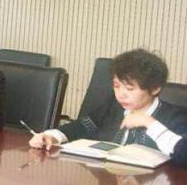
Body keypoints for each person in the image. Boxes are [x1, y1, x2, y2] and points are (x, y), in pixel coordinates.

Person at [30, 49, 187, 165]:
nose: (121, 94)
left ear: (155, 88)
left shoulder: (176, 117)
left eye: (129, 88)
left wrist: (149, 123)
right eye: (116, 86)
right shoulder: (113, 107)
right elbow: (82, 126)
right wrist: (52, 136)